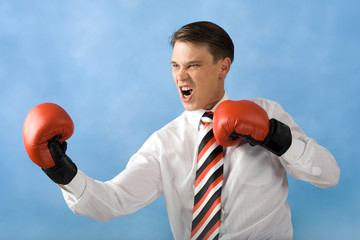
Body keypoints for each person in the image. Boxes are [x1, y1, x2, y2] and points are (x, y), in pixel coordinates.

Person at [23, 21, 340, 240]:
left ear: (223, 67)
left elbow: (329, 175)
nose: (181, 76)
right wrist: (59, 170)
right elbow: (113, 201)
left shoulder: (267, 113)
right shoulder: (165, 142)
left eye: (193, 65)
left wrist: (275, 135)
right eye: (175, 65)